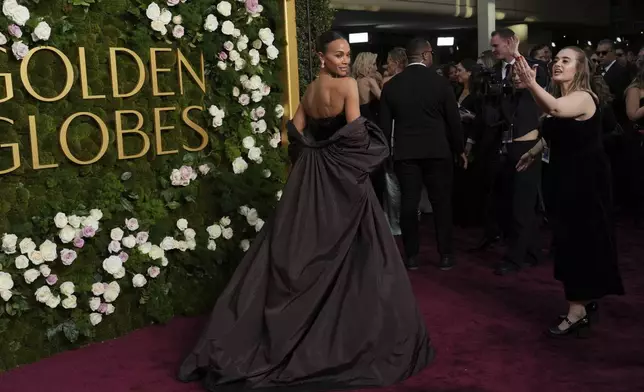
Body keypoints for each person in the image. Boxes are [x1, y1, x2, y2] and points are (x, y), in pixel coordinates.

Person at [177, 31, 434, 391]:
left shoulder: (310, 91)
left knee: (303, 244)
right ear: (322, 57)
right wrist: (361, 147)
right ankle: (347, 337)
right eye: (339, 55)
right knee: (358, 249)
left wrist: (315, 151)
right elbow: (357, 137)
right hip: (340, 180)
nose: (345, 60)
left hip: (310, 178)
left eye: (347, 55)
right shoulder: (346, 89)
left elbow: (294, 133)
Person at [514, 45, 624, 337]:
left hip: (584, 184)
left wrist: (530, 82)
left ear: (580, 68)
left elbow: (554, 110)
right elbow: (556, 129)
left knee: (576, 244)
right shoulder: (563, 97)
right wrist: (534, 151)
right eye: (557, 60)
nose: (558, 64)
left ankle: (577, 311)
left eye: (566, 60)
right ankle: (584, 302)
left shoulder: (583, 97)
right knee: (570, 242)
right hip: (565, 180)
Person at [380, 37, 466, 271]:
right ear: (426, 55)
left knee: (408, 203)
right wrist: (460, 149)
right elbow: (454, 122)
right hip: (438, 151)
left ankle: (411, 257)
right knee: (441, 204)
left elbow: (384, 128)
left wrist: (386, 154)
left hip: (405, 152)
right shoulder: (440, 84)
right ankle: (446, 255)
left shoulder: (391, 86)